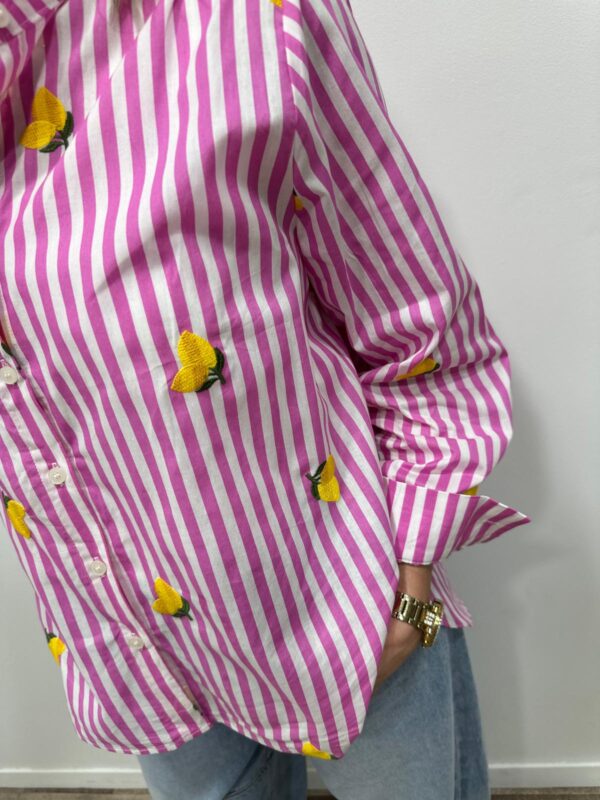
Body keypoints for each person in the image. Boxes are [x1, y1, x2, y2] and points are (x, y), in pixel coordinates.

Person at [0, 0, 531, 797]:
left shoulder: (245, 21)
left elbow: (419, 320)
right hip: (141, 659)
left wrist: (414, 579)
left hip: (349, 614)